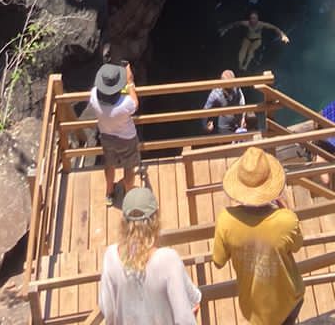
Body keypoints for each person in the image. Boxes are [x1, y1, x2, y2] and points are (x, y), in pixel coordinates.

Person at [212, 147, 303, 325]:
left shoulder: (226, 220)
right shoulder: (286, 220)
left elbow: (218, 261)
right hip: (288, 302)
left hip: (253, 307)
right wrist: (286, 209)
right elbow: (297, 245)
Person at [100, 185, 201, 325]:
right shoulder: (168, 260)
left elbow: (108, 311)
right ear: (156, 219)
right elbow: (186, 316)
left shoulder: (110, 257)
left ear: (124, 221)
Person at [90, 61, 141, 208]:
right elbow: (135, 103)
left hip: (106, 136)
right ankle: (129, 194)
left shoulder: (93, 96)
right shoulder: (125, 104)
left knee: (109, 164)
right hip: (126, 138)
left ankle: (109, 193)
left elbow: (97, 90)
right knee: (129, 167)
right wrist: (130, 82)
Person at [220, 10, 290, 71]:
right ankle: (240, 65)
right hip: (247, 39)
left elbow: (274, 28)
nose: (253, 20)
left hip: (257, 40)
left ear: (257, 19)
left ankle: (245, 66)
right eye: (251, 18)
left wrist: (283, 35)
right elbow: (235, 24)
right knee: (242, 52)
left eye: (254, 18)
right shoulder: (247, 23)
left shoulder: (261, 24)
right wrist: (225, 29)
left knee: (251, 51)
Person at [205, 70, 248, 135]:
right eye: (227, 89)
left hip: (237, 119)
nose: (230, 91)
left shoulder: (236, 87)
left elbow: (241, 100)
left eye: (231, 88)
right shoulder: (216, 94)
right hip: (224, 125)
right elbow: (206, 110)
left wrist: (243, 117)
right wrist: (207, 123)